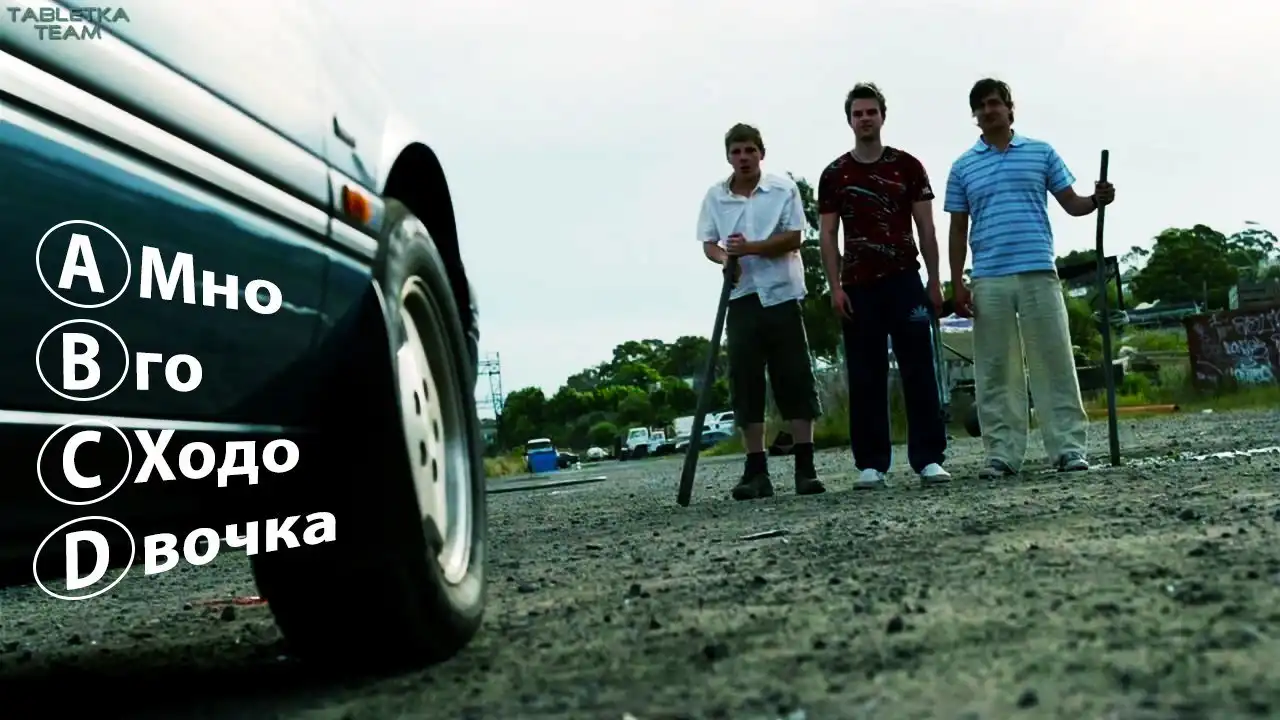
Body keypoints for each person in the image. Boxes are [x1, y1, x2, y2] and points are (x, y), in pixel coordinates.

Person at [943, 78, 1116, 479]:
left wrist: (1097, 199)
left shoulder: (1041, 152)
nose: (989, 111)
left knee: (1054, 360)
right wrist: (957, 282)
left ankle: (1068, 448)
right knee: (995, 369)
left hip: (1038, 269)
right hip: (989, 277)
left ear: (1009, 108)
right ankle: (1001, 454)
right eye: (981, 106)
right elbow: (957, 228)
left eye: (994, 103)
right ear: (974, 116)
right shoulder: (963, 166)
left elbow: (1072, 203)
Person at [817, 83, 952, 490]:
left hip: (905, 280)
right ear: (849, 120)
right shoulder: (835, 175)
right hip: (859, 286)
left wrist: (934, 280)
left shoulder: (907, 166)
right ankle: (871, 463)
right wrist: (835, 286)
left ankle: (929, 458)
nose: (865, 119)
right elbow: (828, 234)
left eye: (871, 112)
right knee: (865, 375)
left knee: (919, 370)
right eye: (858, 113)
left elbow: (926, 226)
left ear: (882, 116)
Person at [695, 123, 826, 501]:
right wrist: (726, 259)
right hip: (742, 298)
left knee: (794, 377)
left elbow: (794, 237)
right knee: (746, 381)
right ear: (728, 157)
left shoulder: (783, 189)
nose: (744, 158)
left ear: (761, 153)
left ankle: (805, 468)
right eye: (736, 152)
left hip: (782, 294)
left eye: (750, 150)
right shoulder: (715, 196)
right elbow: (709, 243)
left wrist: (749, 249)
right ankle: (756, 471)